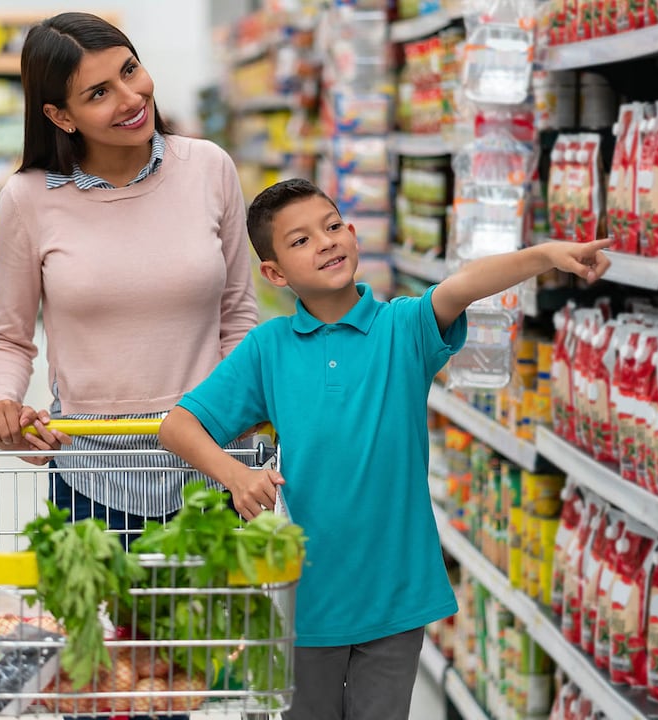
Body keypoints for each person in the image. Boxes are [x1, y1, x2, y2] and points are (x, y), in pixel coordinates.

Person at [159, 178, 612, 720]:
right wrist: (233, 474)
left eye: (331, 227)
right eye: (300, 240)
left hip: (395, 592)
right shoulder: (268, 347)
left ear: (352, 233)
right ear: (275, 274)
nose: (325, 242)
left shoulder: (402, 328)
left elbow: (462, 286)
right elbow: (179, 426)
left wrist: (543, 255)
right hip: (304, 597)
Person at [0, 11, 257, 540]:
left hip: (215, 465)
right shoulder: (28, 199)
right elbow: (10, 338)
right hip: (93, 477)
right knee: (110, 626)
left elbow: (238, 315)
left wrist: (244, 417)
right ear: (60, 116)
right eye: (99, 93)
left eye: (130, 70)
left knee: (208, 624)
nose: (130, 98)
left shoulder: (209, 167)